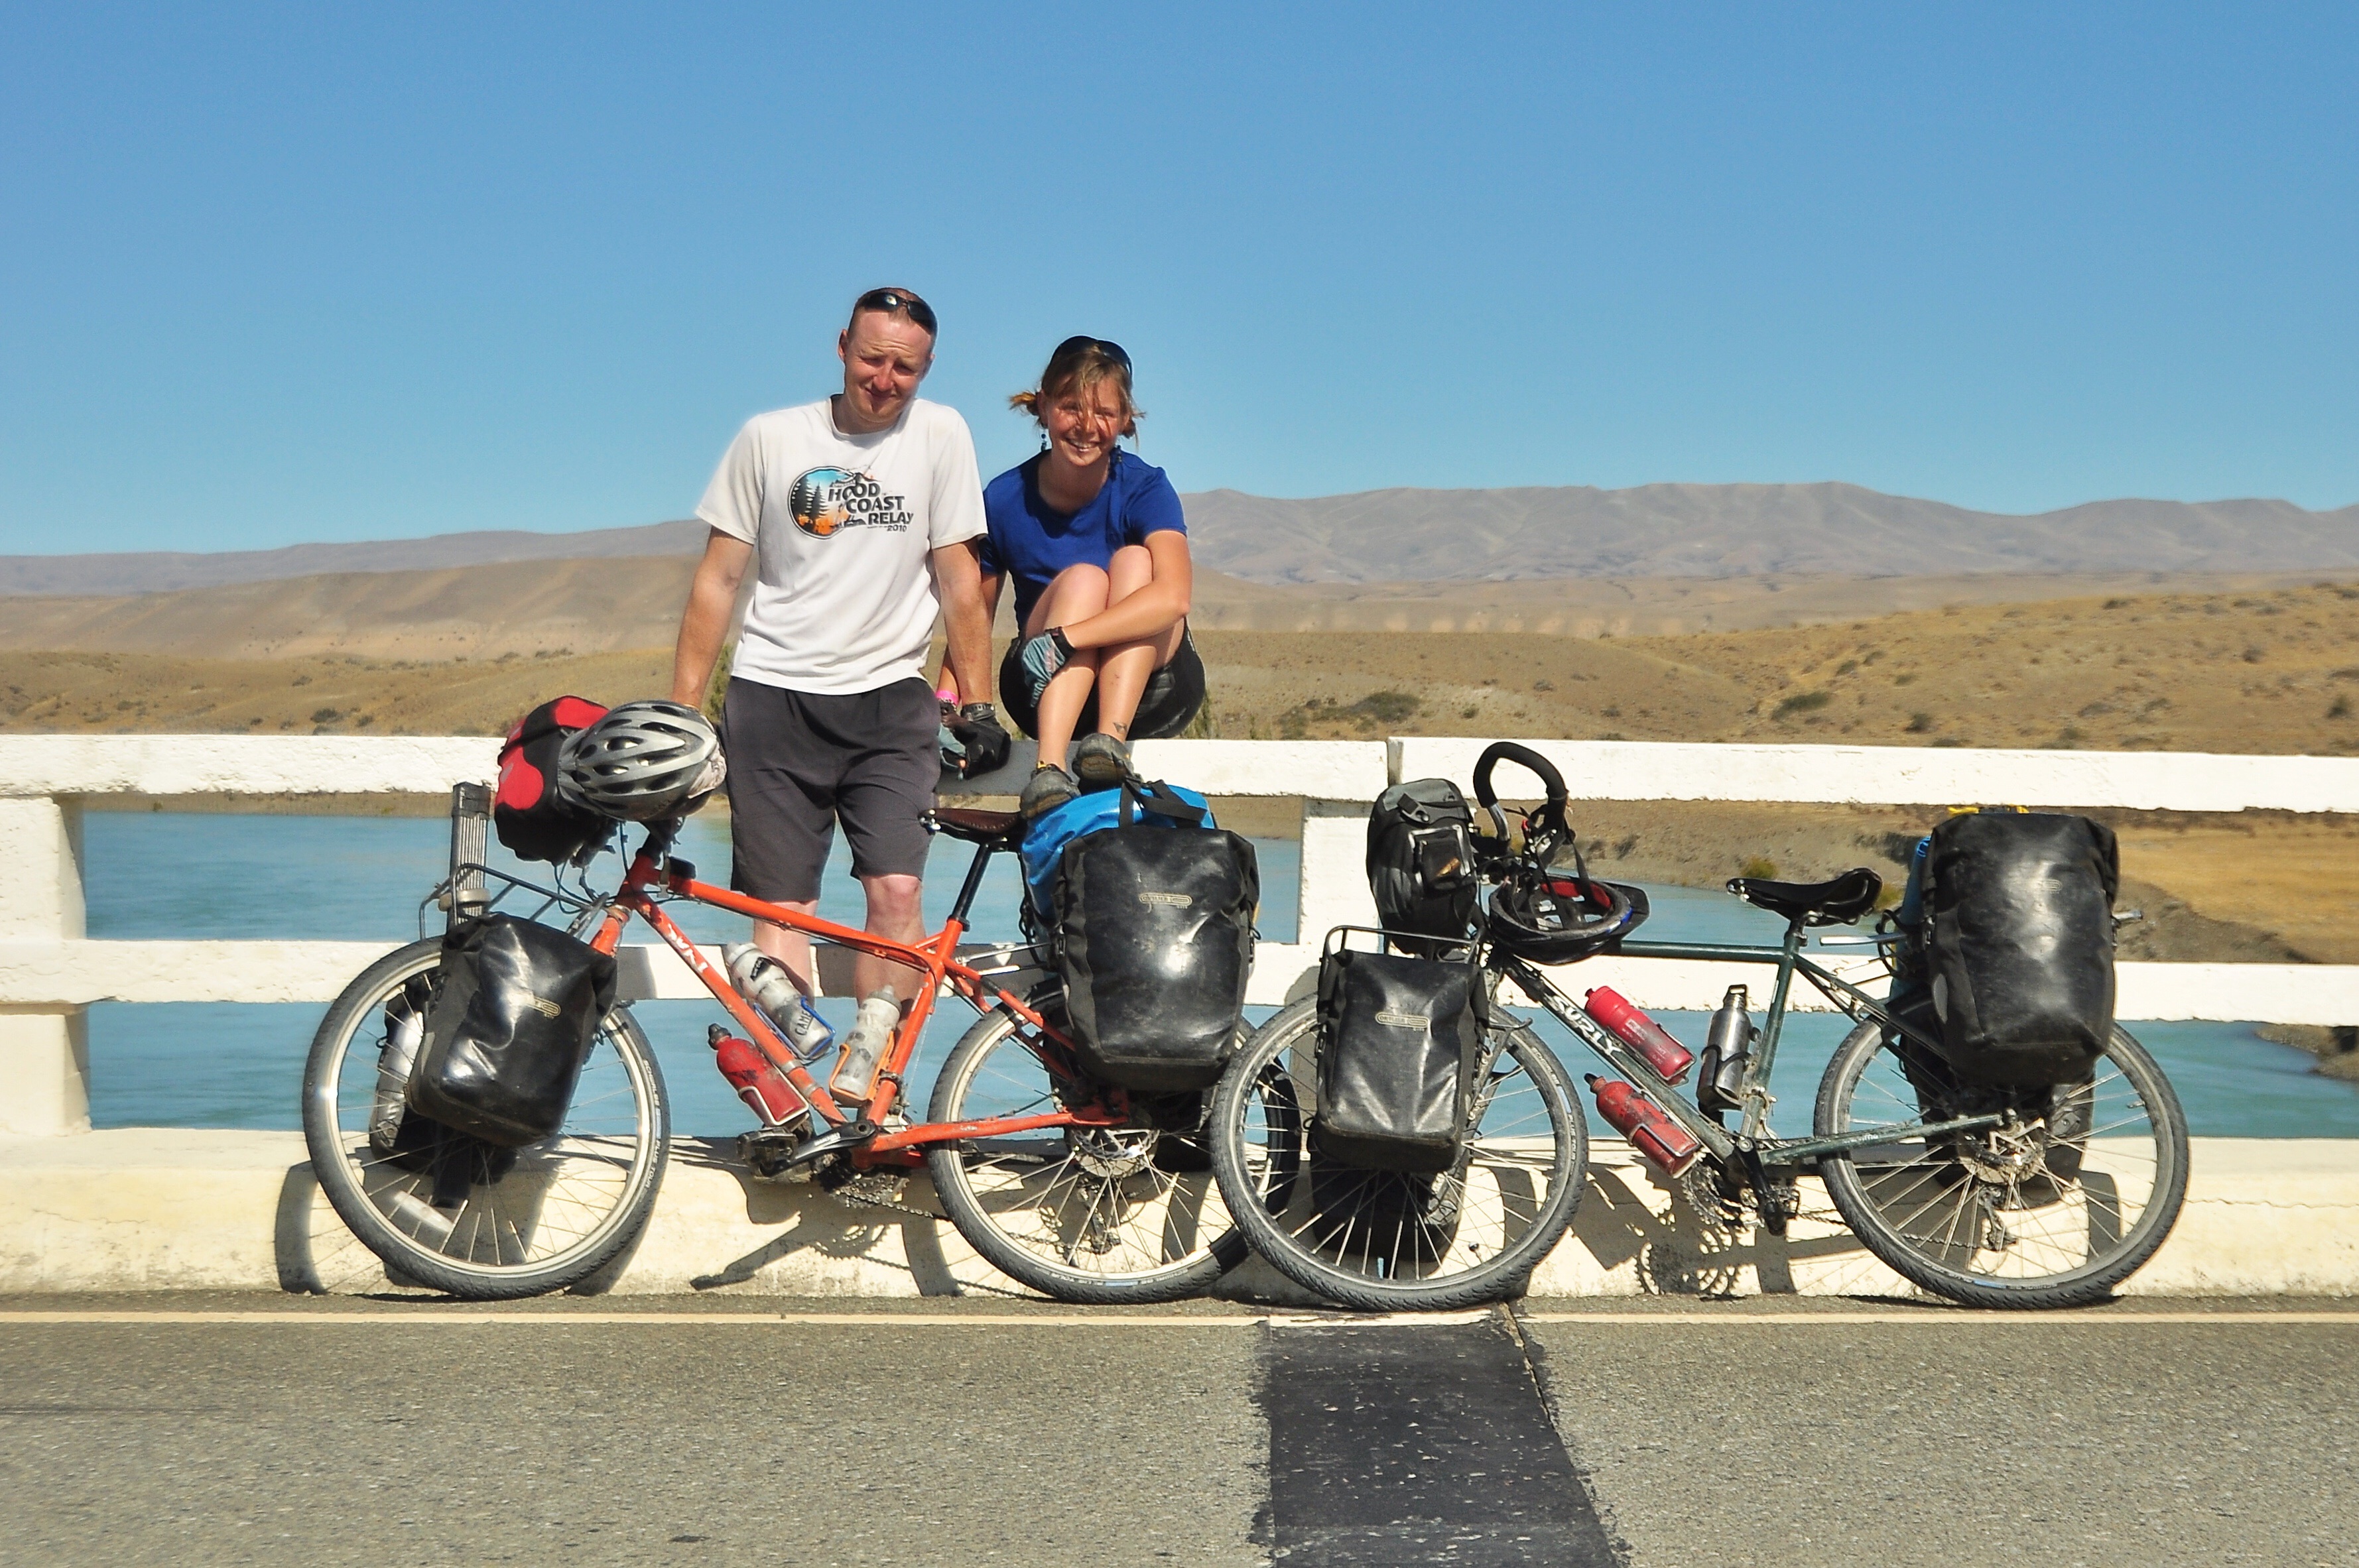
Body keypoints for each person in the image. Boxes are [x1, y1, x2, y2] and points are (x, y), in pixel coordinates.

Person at [668, 286, 1008, 1110]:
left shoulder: (941, 435)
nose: (885, 380)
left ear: (927, 368)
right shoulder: (769, 437)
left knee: (897, 895)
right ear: (842, 346)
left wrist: (980, 706)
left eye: (905, 368)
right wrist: (682, 712)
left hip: (890, 703)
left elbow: (959, 580)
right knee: (782, 913)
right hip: (773, 699)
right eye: (871, 359)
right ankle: (794, 1105)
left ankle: (876, 1095)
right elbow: (717, 579)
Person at [958, 336, 1202, 817]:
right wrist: (956, 706)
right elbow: (971, 618)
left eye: (1104, 413)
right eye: (1072, 408)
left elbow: (1175, 598)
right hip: (1039, 684)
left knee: (1135, 563)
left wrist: (1067, 639)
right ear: (1044, 406)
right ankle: (1048, 769)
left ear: (1126, 418)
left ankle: (1108, 745)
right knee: (1084, 581)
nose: (1087, 427)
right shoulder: (1003, 498)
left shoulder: (1145, 486)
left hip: (1153, 689)